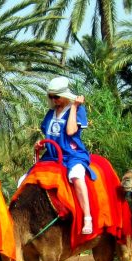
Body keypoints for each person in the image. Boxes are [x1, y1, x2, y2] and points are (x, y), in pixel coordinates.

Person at [38, 76, 95, 235]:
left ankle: (87, 217)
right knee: (26, 178)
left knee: (76, 176)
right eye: (51, 96)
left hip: (72, 155)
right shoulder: (50, 113)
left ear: (65, 95)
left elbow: (70, 131)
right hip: (51, 156)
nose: (54, 100)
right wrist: (41, 144)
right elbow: (49, 134)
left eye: (56, 96)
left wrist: (75, 106)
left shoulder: (77, 110)